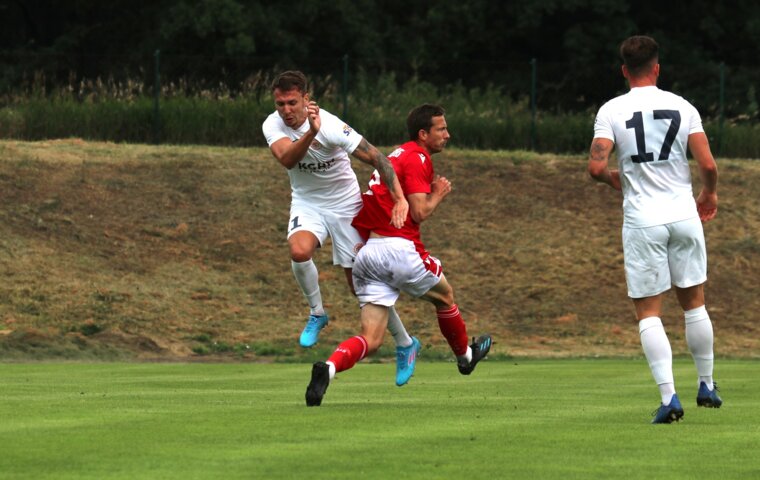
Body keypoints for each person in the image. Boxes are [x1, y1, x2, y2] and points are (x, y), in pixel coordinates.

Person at [305, 103, 493, 406]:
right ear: (423, 133)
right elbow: (419, 212)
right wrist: (439, 194)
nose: (448, 134)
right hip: (399, 250)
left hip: (368, 255)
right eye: (441, 129)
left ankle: (328, 368)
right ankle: (465, 357)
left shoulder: (396, 155)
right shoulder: (418, 158)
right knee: (445, 297)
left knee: (371, 337)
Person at [588, 36, 721, 424]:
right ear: (657, 68)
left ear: (625, 70)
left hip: (643, 220)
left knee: (649, 312)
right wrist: (708, 195)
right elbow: (708, 165)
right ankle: (707, 384)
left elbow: (596, 168)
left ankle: (669, 398)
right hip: (683, 215)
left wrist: (620, 180)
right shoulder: (684, 107)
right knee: (694, 302)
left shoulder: (612, 110)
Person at [262, 70, 420, 386]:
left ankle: (405, 343)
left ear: (307, 99)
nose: (286, 110)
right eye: (280, 104)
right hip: (308, 203)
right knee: (298, 250)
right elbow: (288, 160)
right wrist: (310, 132)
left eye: (293, 103)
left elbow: (379, 159)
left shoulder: (332, 126)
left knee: (361, 288)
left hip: (346, 206)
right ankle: (318, 313)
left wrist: (400, 198)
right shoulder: (272, 124)